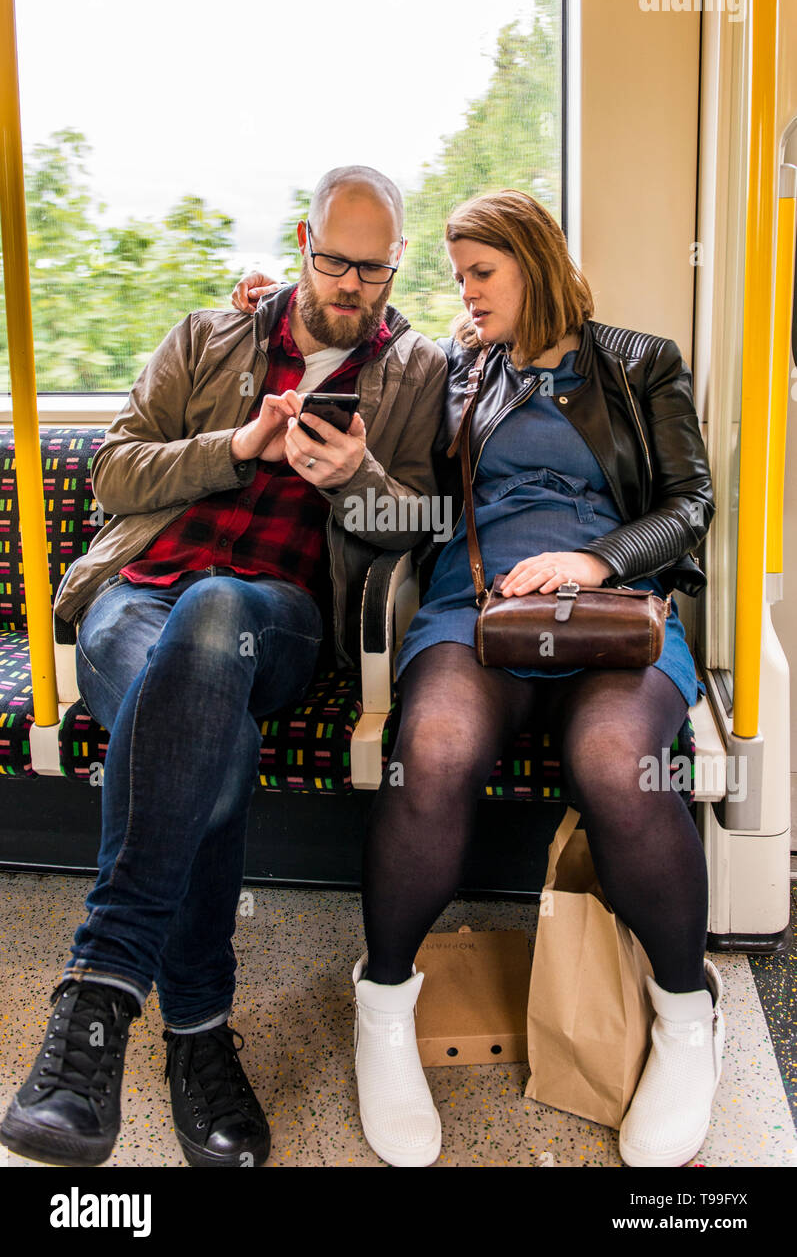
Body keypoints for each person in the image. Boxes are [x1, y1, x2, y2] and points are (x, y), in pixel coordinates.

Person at [235, 187, 719, 1171]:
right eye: (455, 275)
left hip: (610, 613)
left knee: (617, 759)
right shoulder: (455, 371)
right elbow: (373, 378)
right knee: (436, 745)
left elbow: (690, 502)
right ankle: (382, 1004)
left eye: (480, 272)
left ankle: (684, 1010)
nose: (464, 290)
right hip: (475, 607)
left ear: (532, 261)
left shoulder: (637, 362)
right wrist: (271, 312)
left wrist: (595, 561)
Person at [0, 165, 447, 1170]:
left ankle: (98, 993)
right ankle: (198, 1033)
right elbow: (115, 468)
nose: (352, 286)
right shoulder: (207, 336)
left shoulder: (415, 373)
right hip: (133, 599)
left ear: (396, 263)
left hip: (270, 617)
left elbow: (419, 531)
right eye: (335, 261)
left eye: (373, 270)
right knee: (208, 725)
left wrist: (357, 482)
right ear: (301, 239)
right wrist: (237, 445)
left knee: (212, 618)